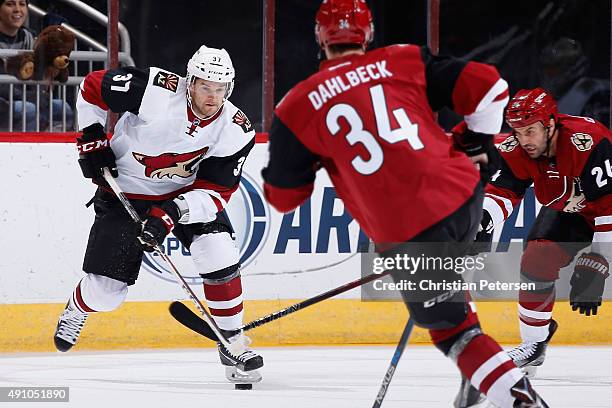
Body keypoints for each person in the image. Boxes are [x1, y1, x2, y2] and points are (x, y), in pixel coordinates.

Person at [261, 1, 548, 407]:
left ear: (318, 38)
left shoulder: (297, 104)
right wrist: (476, 141)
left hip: (410, 232)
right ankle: (482, 371)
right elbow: (492, 88)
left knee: (453, 332)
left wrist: (316, 160)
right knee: (449, 293)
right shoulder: (403, 59)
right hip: (465, 196)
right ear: (370, 32)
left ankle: (511, 391)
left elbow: (284, 199)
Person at [52, 45, 263, 384]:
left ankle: (231, 340)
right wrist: (92, 136)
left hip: (183, 197)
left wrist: (171, 212)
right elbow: (92, 86)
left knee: (217, 248)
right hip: (124, 194)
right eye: (205, 86)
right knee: (105, 295)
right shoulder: (155, 88)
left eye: (220, 88)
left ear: (230, 88)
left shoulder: (236, 128)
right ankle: (78, 308)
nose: (212, 96)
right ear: (190, 81)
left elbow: (216, 191)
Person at [475, 87, 612, 377]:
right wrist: (482, 220)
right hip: (572, 210)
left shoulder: (589, 142)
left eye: (531, 131)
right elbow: (503, 190)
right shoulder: (517, 149)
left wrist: (599, 260)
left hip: (606, 211)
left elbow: (608, 208)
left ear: (551, 123)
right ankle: (533, 345)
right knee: (538, 257)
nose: (524, 140)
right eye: (518, 131)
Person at [0, 0, 74, 131]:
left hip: (28, 99)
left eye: (22, 4)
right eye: (10, 4)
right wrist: (33, 97)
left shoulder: (30, 37)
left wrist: (40, 94)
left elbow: (39, 76)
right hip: (5, 102)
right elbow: (3, 86)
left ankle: (52, 149)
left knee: (62, 108)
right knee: (27, 109)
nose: (17, 9)